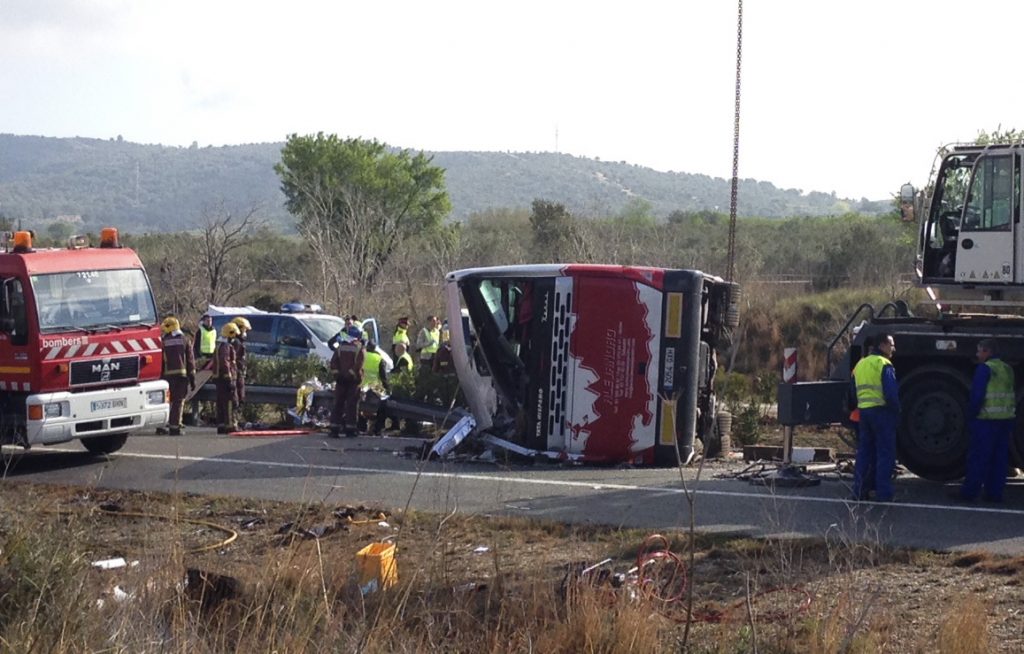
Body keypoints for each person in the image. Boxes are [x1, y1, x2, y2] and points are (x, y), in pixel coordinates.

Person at [955, 339, 1015, 503]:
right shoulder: (1007, 368)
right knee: (999, 459)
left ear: (988, 352)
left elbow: (977, 396)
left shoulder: (985, 369)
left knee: (979, 458)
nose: (977, 354)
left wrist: (971, 416)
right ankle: (994, 494)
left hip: (986, 420)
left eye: (979, 351)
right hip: (1005, 419)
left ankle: (969, 493)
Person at [850, 333, 900, 502]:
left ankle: (859, 491)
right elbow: (891, 394)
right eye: (891, 345)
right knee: (885, 453)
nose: (893, 348)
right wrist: (896, 411)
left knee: (864, 452)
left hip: (864, 413)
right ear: (883, 345)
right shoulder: (884, 364)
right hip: (882, 413)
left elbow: (852, 393)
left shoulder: (860, 364)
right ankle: (883, 493)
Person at [160, 316, 195, 436]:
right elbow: (190, 360)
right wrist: (192, 377)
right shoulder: (185, 340)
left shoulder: (163, 341)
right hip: (181, 376)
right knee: (178, 401)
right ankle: (175, 426)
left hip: (166, 376)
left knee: (166, 401)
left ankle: (162, 425)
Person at [330, 325, 365, 438]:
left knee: (338, 404)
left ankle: (334, 428)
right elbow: (358, 365)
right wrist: (350, 374)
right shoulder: (360, 348)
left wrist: (338, 375)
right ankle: (350, 429)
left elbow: (333, 362)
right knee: (352, 405)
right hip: (353, 381)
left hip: (340, 381)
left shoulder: (340, 347)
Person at [213, 322, 240, 434]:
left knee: (221, 402)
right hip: (225, 379)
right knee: (229, 402)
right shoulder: (226, 347)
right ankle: (230, 425)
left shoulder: (219, 345)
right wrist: (230, 378)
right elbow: (225, 363)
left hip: (219, 379)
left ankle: (221, 425)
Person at [362, 340, 390, 435]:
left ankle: (360, 426)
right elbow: (383, 376)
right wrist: (387, 388)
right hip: (375, 387)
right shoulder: (379, 358)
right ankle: (377, 429)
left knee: (358, 407)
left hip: (361, 386)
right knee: (382, 406)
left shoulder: (361, 356)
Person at [231, 316, 252, 418]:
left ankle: (235, 419)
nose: (245, 332)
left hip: (240, 373)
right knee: (237, 397)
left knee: (240, 396)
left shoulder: (240, 342)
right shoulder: (236, 343)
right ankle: (233, 420)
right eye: (244, 329)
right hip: (237, 373)